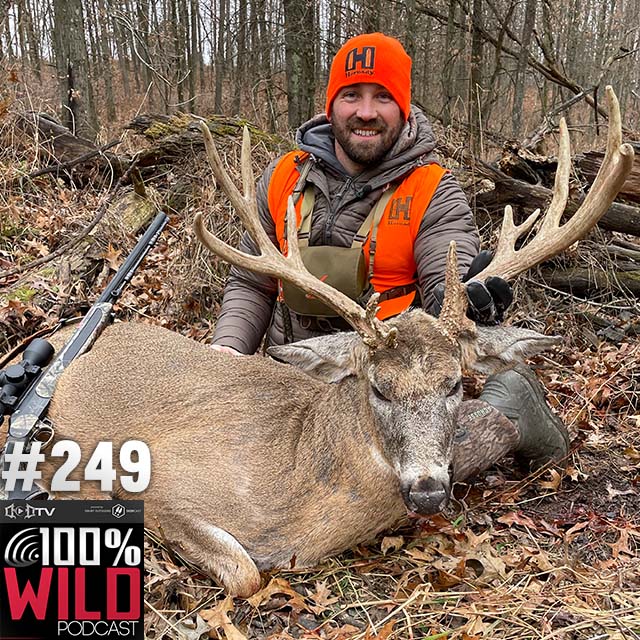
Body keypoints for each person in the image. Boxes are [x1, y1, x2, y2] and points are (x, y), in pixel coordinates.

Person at [210, 33, 569, 479]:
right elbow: (251, 282)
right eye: (351, 95)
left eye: (382, 96)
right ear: (330, 105)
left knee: (400, 481)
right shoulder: (284, 176)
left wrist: (467, 301)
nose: (366, 112)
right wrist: (227, 352)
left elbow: (446, 280)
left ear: (403, 106)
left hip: (397, 391)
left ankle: (509, 408)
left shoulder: (432, 190)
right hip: (300, 373)